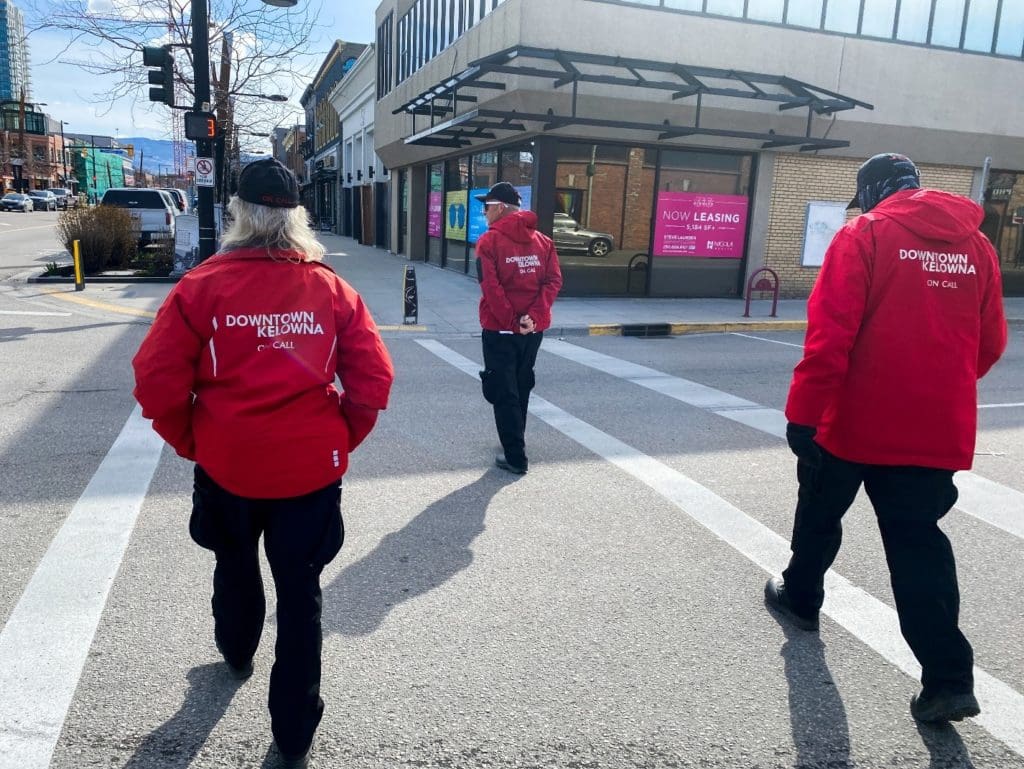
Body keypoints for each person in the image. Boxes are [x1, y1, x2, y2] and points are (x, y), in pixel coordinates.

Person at [132, 158, 394, 768]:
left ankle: (236, 648)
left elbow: (155, 380)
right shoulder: (329, 287)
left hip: (229, 464)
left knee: (233, 558)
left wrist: (194, 440)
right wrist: (339, 437)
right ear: (295, 215)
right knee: (300, 594)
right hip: (309, 470)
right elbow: (373, 379)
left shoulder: (203, 287)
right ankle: (294, 736)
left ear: (239, 215)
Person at [764, 152, 1007, 724]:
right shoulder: (978, 247)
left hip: (851, 421)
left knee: (821, 511)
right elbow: (991, 342)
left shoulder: (865, 235)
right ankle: (948, 679)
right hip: (931, 428)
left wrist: (803, 415)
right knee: (918, 544)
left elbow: (829, 339)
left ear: (871, 194)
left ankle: (801, 597)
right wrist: (934, 385)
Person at [474, 182, 563, 475]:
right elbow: (552, 282)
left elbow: (491, 288)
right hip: (532, 332)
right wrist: (533, 318)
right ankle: (515, 440)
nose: (484, 212)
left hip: (501, 330)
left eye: (486, 206)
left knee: (503, 390)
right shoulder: (544, 242)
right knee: (521, 383)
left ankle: (515, 456)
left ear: (499, 208)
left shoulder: (489, 242)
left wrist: (513, 322)